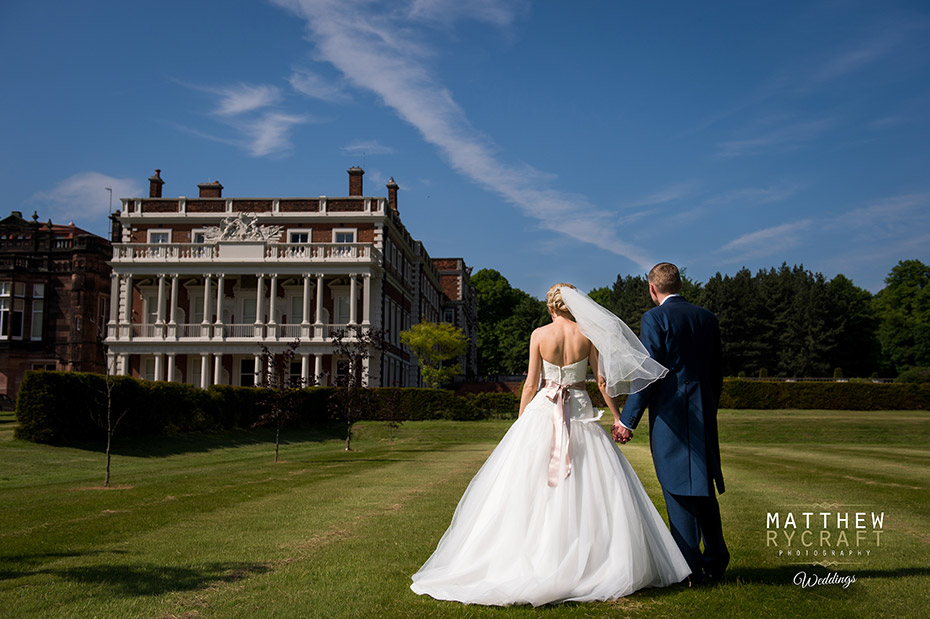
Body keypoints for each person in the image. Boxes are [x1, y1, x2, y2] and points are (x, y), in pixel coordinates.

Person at [410, 283, 691, 606]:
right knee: (590, 483)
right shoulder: (587, 335)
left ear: (551, 307)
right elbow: (601, 381)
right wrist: (616, 417)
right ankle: (593, 561)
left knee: (532, 483)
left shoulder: (539, 335)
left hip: (545, 408)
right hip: (580, 409)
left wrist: (520, 421)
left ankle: (535, 553)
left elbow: (531, 382)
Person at [616, 262, 729, 585]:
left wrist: (628, 420)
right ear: (681, 284)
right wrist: (710, 407)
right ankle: (716, 559)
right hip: (703, 411)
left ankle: (689, 566)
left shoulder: (655, 318)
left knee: (676, 485)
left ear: (653, 288)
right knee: (703, 486)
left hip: (671, 413)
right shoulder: (707, 318)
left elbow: (648, 374)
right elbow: (716, 373)